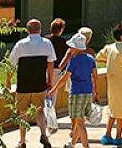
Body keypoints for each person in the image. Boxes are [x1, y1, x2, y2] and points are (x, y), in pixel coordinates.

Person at [6, 19, 56, 148]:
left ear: (28, 30)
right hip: (40, 84)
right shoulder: (47, 43)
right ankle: (44, 135)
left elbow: (11, 64)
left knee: (23, 113)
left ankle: (22, 141)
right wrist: (50, 81)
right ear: (40, 29)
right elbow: (50, 64)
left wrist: (7, 81)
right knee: (40, 111)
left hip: (24, 85)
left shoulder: (20, 44)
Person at [48, 34, 97, 148]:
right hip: (88, 93)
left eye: (72, 47)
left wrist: (54, 89)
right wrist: (97, 92)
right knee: (79, 120)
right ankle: (73, 144)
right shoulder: (91, 59)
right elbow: (95, 76)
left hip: (76, 93)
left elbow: (65, 78)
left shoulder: (74, 61)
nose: (70, 49)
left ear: (76, 48)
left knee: (79, 123)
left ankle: (86, 146)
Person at [96, 24, 122, 146]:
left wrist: (110, 61)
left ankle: (107, 134)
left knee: (113, 108)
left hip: (112, 82)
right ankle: (118, 136)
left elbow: (98, 57)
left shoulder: (108, 48)